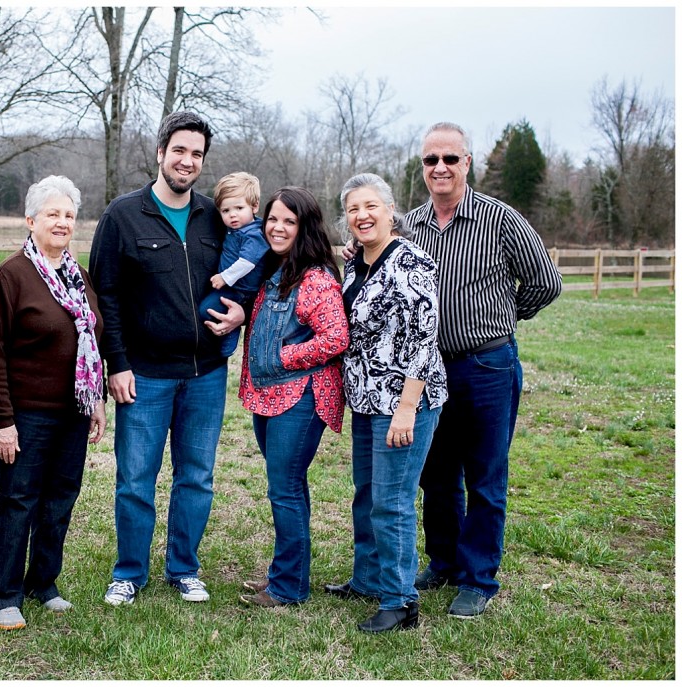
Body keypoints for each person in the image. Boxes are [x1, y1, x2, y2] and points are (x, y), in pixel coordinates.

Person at [342, 122, 562, 617]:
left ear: (467, 163)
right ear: (422, 168)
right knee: (434, 477)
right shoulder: (412, 223)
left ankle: (478, 578)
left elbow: (546, 283)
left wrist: (501, 316)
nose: (439, 167)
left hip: (486, 364)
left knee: (484, 475)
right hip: (427, 374)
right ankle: (442, 560)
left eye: (449, 159)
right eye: (430, 160)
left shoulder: (500, 219)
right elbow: (380, 265)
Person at [88, 111, 245, 606]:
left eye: (197, 154)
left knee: (196, 475)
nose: (187, 161)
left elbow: (249, 270)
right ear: (160, 154)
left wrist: (241, 313)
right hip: (145, 374)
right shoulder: (123, 215)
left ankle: (184, 568)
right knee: (135, 478)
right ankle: (129, 572)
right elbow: (104, 296)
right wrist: (118, 363)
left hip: (204, 375)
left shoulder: (212, 218)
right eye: (179, 150)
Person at [0, 175, 106, 631]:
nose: (62, 222)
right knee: (18, 501)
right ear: (30, 220)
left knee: (59, 501)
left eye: (69, 215)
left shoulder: (78, 275)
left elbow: (94, 339)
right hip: (26, 414)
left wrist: (96, 400)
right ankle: (2, 592)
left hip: (72, 411)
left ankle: (43, 583)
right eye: (52, 214)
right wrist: (3, 420)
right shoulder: (12, 276)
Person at [324, 173, 447, 633]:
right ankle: (369, 578)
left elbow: (424, 337)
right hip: (366, 400)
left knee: (392, 501)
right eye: (354, 209)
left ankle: (400, 602)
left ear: (390, 210)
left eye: (371, 206)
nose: (363, 215)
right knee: (368, 495)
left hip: (405, 401)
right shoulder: (357, 264)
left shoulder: (412, 262)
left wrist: (407, 407)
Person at [237, 186, 349, 608]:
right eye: (273, 219)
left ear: (304, 228)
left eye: (289, 220)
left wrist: (283, 356)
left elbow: (336, 337)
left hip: (301, 398)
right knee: (286, 487)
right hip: (269, 396)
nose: (278, 227)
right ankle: (285, 576)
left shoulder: (316, 278)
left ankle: (288, 588)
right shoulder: (271, 271)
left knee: (284, 488)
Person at [197, 171, 270, 356]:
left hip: (240, 289)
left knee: (206, 310)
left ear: (254, 207)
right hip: (230, 285)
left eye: (239, 208)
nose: (232, 215)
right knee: (204, 308)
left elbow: (247, 263)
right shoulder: (234, 229)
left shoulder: (254, 234)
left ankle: (231, 333)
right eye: (226, 211)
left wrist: (224, 277)